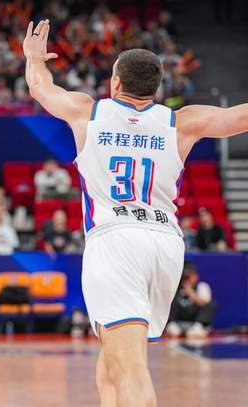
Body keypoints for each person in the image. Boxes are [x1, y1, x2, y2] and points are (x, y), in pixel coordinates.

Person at [23, 19, 248, 406]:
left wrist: (33, 58)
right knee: (111, 362)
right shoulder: (181, 121)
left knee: (129, 367)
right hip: (164, 244)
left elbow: (40, 87)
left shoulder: (88, 113)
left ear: (115, 82)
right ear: (156, 87)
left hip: (116, 241)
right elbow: (240, 117)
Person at [166, 262, 216, 338]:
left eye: (190, 276)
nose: (187, 279)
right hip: (178, 322)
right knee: (173, 330)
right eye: (185, 276)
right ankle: (174, 326)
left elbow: (203, 303)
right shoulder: (176, 288)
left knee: (212, 304)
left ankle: (200, 328)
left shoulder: (202, 286)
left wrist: (190, 292)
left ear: (196, 276)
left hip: (196, 323)